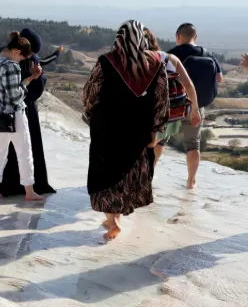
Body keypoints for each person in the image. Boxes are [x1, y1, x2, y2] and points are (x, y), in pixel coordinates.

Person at [83, 21, 169, 241]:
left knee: (106, 171)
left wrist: (91, 110)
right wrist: (156, 129)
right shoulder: (156, 62)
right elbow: (161, 99)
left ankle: (112, 220)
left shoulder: (107, 61)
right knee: (127, 172)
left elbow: (91, 92)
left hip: (107, 128)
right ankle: (115, 217)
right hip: (138, 129)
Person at [0, 28, 61, 197]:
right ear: (18, 51)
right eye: (23, 57)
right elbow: (15, 95)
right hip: (15, 114)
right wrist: (28, 80)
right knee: (25, 153)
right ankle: (29, 192)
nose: (23, 60)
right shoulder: (12, 66)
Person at [167, 23, 223, 189]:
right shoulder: (208, 54)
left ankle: (148, 177)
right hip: (197, 108)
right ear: (195, 37)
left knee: (160, 142)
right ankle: (191, 182)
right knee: (193, 144)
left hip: (174, 105)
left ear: (178, 36)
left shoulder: (172, 54)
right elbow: (219, 79)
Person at [143, 29, 202, 166]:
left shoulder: (130, 60)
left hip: (145, 110)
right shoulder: (170, 58)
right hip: (170, 112)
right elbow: (188, 84)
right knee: (152, 143)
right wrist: (195, 109)